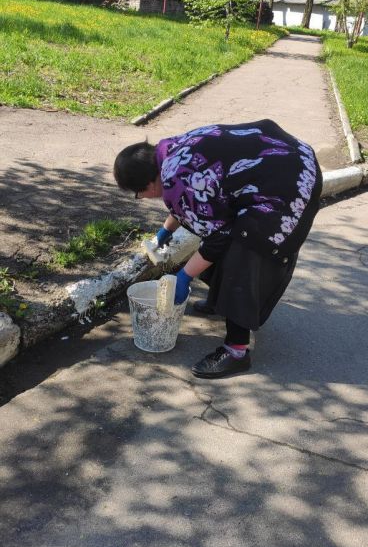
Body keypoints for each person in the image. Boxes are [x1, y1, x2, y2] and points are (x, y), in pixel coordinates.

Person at [113, 120, 322, 379]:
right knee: (228, 231)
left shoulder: (177, 178)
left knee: (243, 251)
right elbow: (200, 199)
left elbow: (217, 237)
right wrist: (165, 232)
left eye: (138, 194)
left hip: (290, 183)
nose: (142, 198)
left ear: (146, 184)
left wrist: (184, 276)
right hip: (288, 157)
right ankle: (220, 301)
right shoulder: (170, 153)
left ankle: (236, 351)